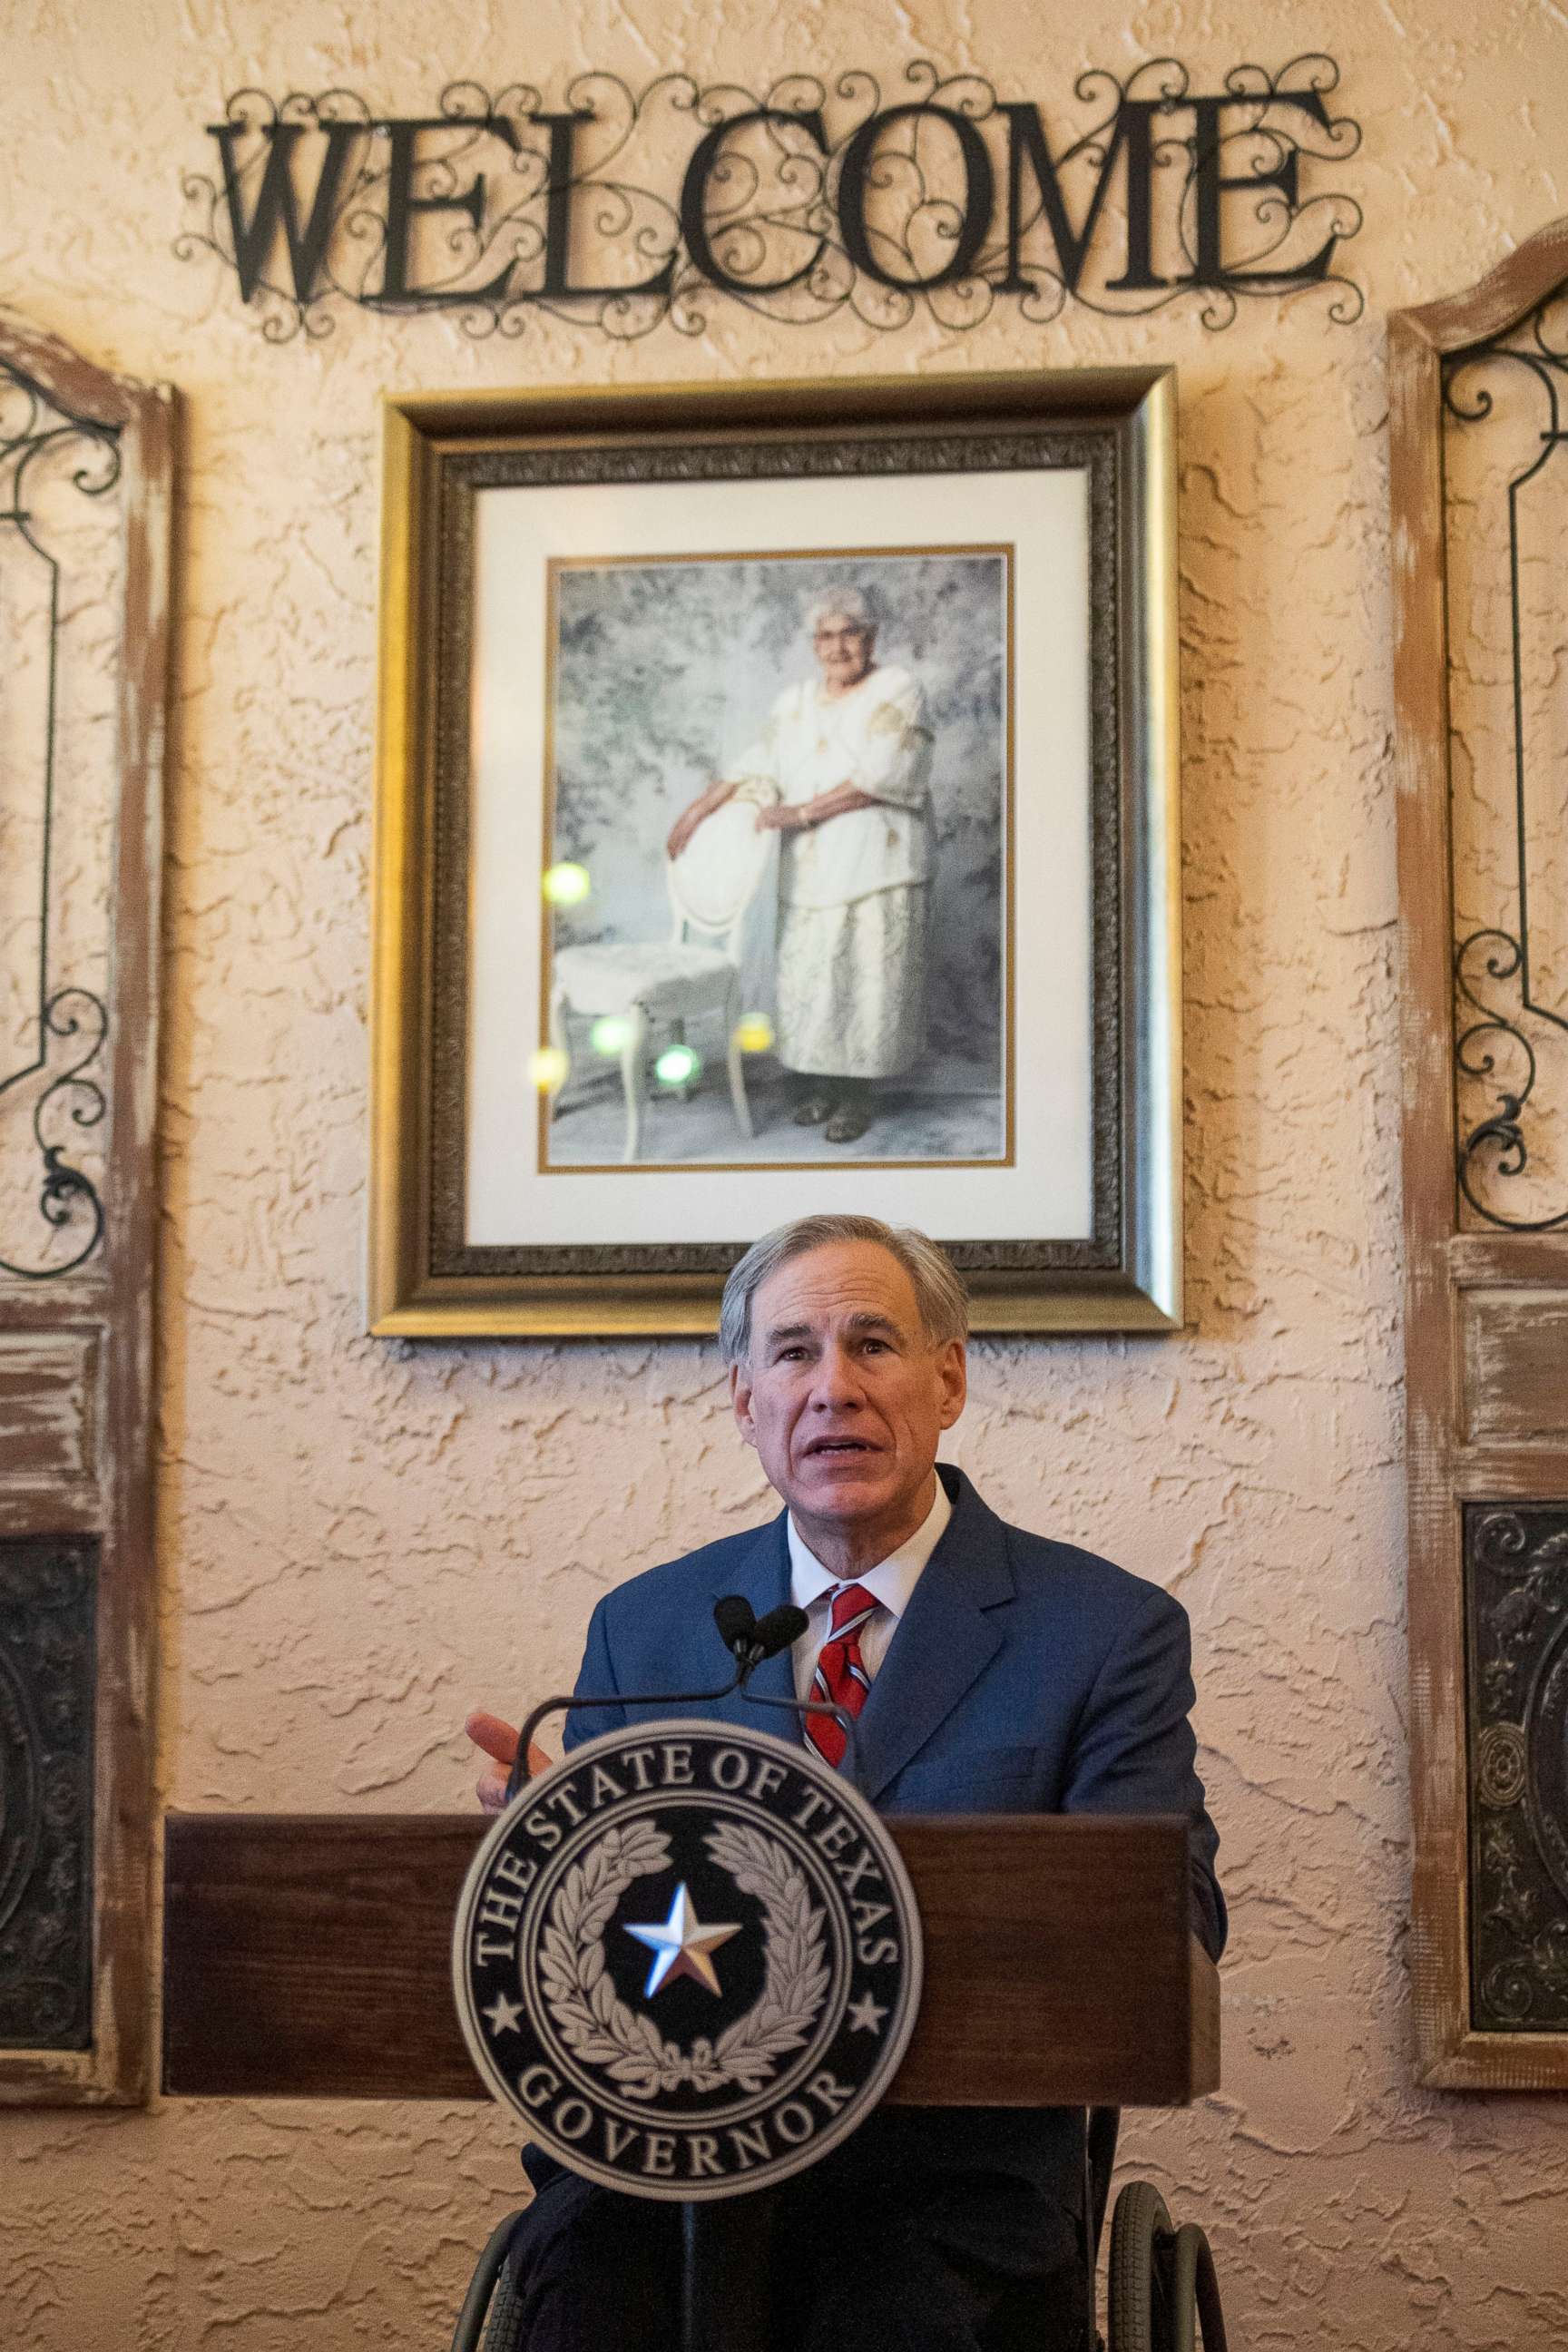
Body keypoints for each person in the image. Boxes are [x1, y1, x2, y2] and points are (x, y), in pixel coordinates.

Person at [466, 1212, 1224, 2352]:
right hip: (666, 2171)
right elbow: (601, 1980)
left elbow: (1173, 1932)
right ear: (744, 1401)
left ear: (948, 1378)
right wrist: (550, 1861)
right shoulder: (651, 1629)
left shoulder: (1104, 1632)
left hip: (945, 2188)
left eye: (873, 1345)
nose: (833, 1389)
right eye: (792, 1353)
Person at [663, 589, 935, 1147]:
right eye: (827, 635)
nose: (839, 647)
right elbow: (755, 764)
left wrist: (803, 812)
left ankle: (857, 1096)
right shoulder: (793, 701)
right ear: (814, 645)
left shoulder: (897, 688)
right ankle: (817, 1084)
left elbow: (885, 771)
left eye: (851, 633)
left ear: (871, 639)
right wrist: (697, 809)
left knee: (865, 979)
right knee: (813, 978)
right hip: (809, 867)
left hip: (875, 861)